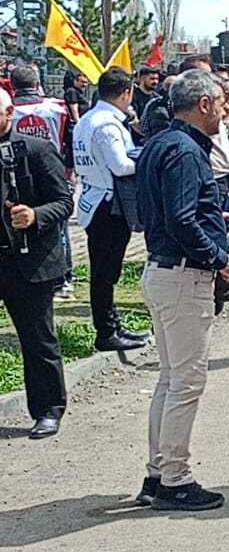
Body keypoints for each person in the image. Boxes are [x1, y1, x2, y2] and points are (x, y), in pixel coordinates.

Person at [134, 70, 229, 510]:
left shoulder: (162, 142)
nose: (224, 111)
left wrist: (214, 218)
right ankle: (174, 478)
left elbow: (169, 212)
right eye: (221, 102)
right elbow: (180, 219)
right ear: (203, 104)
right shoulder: (184, 149)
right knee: (186, 381)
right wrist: (219, 257)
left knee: (171, 379)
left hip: (164, 271)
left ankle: (159, 471)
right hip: (183, 276)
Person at [0, 86, 74, 439]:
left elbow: (64, 201)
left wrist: (35, 215)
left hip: (29, 262)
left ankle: (48, 409)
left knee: (37, 339)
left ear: (8, 114)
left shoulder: (35, 149)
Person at [70, 68, 148, 353]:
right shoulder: (107, 124)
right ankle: (106, 332)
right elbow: (121, 165)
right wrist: (148, 159)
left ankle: (112, 325)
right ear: (126, 92)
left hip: (94, 199)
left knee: (105, 270)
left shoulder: (89, 119)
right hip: (108, 205)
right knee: (105, 272)